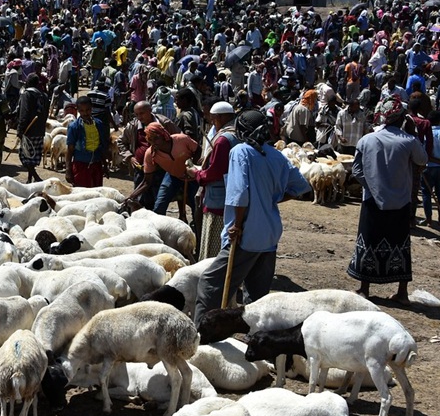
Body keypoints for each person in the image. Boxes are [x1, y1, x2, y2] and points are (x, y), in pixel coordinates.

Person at [194, 110, 311, 327]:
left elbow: (239, 193)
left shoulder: (240, 152)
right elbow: (301, 186)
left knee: (210, 284)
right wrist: (271, 199)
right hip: (269, 232)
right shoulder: (276, 155)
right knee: (257, 293)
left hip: (246, 233)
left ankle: (201, 331)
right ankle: (256, 335)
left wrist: (237, 225)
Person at [348, 97, 428, 305]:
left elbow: (356, 170)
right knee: (400, 244)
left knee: (369, 241)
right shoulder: (409, 141)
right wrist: (412, 132)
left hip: (372, 201)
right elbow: (422, 160)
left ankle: (364, 289)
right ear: (401, 118)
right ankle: (402, 293)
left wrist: (373, 186)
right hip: (400, 202)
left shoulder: (367, 140)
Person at [187, 101, 240, 260]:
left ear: (221, 117)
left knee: (213, 244)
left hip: (217, 198)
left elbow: (216, 171)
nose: (212, 123)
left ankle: (213, 270)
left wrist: (196, 174)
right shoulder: (237, 134)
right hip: (232, 195)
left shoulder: (224, 139)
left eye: (213, 119)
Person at [128, 122, 199, 220]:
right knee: (159, 206)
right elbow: (147, 181)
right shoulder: (150, 154)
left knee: (196, 206)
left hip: (192, 177)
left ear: (163, 135)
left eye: (156, 138)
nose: (154, 142)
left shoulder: (181, 139)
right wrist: (132, 196)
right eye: (150, 140)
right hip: (173, 176)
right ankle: (160, 226)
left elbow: (198, 149)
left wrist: (193, 165)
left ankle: (197, 226)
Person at [117, 101, 180, 210]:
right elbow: (121, 142)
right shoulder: (133, 126)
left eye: (142, 113)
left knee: (159, 200)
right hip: (140, 169)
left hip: (160, 169)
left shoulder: (164, 123)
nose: (139, 117)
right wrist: (129, 157)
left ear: (150, 111)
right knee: (140, 200)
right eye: (136, 114)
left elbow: (177, 138)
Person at [65, 96, 110, 188]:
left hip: (96, 165)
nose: (85, 113)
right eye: (82, 111)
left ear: (91, 108)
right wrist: (68, 170)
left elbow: (101, 146)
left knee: (96, 192)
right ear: (78, 110)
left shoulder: (98, 124)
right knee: (82, 193)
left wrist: (105, 165)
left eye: (88, 110)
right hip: (80, 166)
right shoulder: (74, 127)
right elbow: (70, 149)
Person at [17, 74, 50, 183]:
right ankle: (29, 179)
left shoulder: (27, 94)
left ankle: (36, 177)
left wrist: (20, 129)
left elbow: (24, 113)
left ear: (28, 82)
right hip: (40, 130)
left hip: (28, 130)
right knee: (33, 156)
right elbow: (46, 113)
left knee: (25, 156)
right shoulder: (44, 95)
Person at [420, 110, 440, 226]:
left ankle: (429, 219)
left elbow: (424, 151)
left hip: (428, 166)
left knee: (426, 193)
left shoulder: (426, 133)